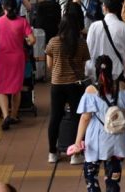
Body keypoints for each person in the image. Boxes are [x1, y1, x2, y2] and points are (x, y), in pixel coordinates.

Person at [73, 55, 125, 192]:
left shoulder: (91, 90)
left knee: (91, 176)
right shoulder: (122, 87)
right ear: (112, 69)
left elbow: (85, 118)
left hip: (96, 139)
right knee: (113, 179)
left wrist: (78, 142)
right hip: (117, 138)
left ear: (96, 70)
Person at [46, 14, 90, 164]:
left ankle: (52, 152)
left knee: (55, 118)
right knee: (78, 118)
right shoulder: (81, 43)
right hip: (75, 85)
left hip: (57, 85)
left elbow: (49, 65)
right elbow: (84, 65)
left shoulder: (53, 42)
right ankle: (75, 154)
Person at [0, 0, 35, 131]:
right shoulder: (22, 22)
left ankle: (5, 116)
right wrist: (25, 41)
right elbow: (32, 40)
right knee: (16, 88)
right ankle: (14, 116)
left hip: (2, 58)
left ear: (3, 8)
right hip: (17, 58)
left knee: (2, 89)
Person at [85, 0, 125, 81]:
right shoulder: (124, 27)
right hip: (116, 74)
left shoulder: (94, 26)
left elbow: (88, 50)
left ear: (104, 7)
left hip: (96, 74)